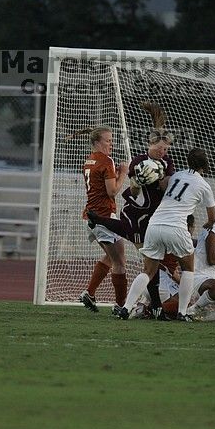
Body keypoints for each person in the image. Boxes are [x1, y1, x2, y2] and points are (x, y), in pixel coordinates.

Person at [86, 101, 175, 318]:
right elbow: (132, 192)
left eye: (167, 148)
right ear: (150, 145)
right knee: (144, 264)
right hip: (138, 216)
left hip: (155, 218)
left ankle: (149, 305)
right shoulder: (138, 161)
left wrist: (161, 176)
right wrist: (139, 178)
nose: (164, 151)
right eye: (161, 147)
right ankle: (139, 306)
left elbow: (167, 187)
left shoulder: (167, 162)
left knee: (147, 263)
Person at [118, 148, 215, 322]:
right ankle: (183, 312)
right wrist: (208, 224)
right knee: (188, 269)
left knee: (148, 271)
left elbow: (162, 185)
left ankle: (126, 308)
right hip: (176, 227)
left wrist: (153, 173)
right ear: (206, 165)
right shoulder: (204, 185)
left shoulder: (176, 175)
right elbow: (212, 218)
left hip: (155, 224)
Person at [69, 125, 129, 312]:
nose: (111, 144)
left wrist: (116, 174)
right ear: (96, 142)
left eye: (111, 140)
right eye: (108, 140)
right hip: (104, 217)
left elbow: (102, 187)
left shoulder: (89, 161)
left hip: (93, 216)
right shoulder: (106, 160)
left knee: (114, 258)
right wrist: (124, 174)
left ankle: (90, 293)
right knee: (119, 262)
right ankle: (120, 306)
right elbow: (112, 192)